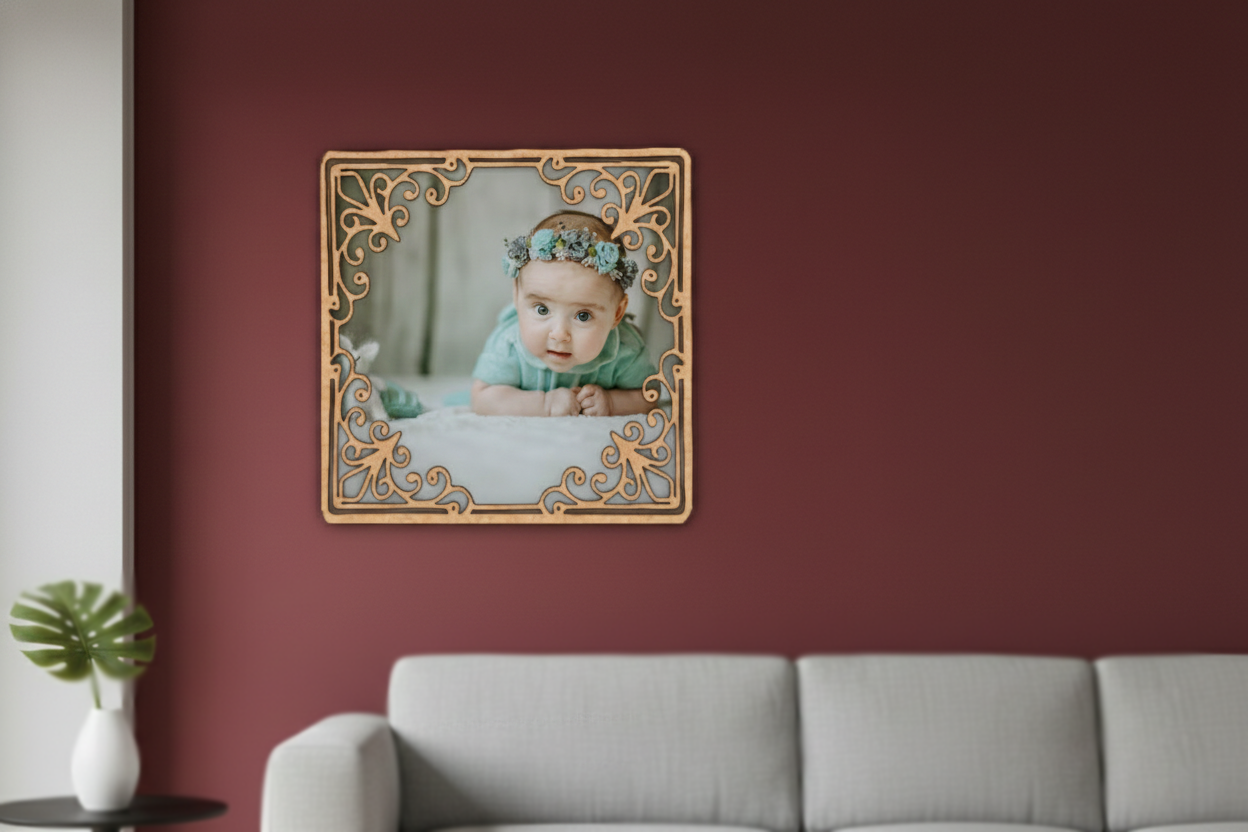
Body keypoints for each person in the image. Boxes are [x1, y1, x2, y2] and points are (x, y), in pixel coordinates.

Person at [471, 211, 656, 417]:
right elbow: (482, 398)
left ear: (617, 314)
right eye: (542, 309)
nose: (559, 334)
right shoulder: (509, 345)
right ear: (516, 296)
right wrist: (545, 404)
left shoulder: (625, 349)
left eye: (583, 315)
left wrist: (612, 402)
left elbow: (648, 395)